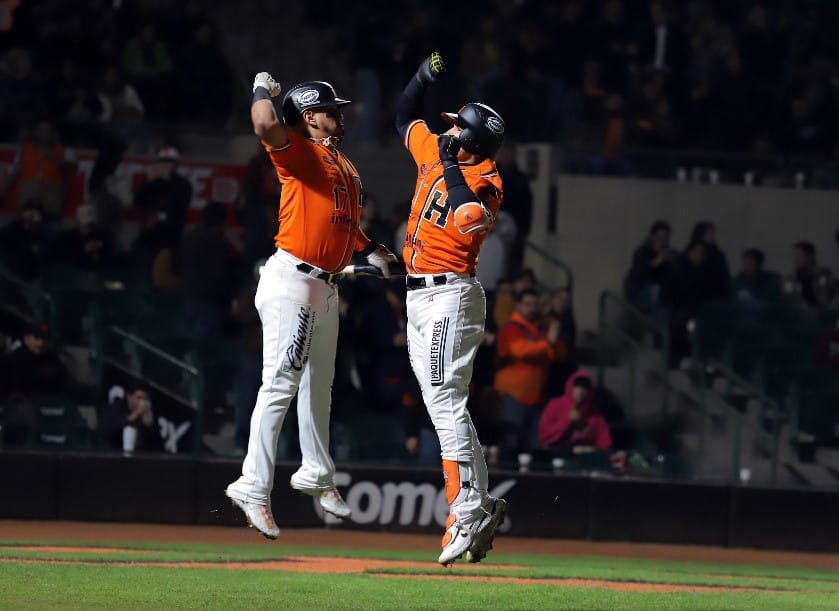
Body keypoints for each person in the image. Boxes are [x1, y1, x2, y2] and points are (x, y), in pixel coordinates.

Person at [225, 72, 397, 539]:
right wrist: (263, 89)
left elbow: (341, 219)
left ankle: (316, 475)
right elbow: (263, 124)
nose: (338, 115)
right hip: (294, 280)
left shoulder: (341, 163)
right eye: (329, 109)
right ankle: (252, 484)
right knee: (280, 382)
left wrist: (373, 250)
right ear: (307, 116)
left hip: (325, 286)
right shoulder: (298, 151)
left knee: (319, 385)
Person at [395, 52, 508, 566]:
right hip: (417, 295)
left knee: (444, 400)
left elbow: (467, 218)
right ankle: (477, 504)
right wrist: (423, 77)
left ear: (474, 141)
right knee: (444, 405)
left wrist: (445, 162)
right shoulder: (435, 152)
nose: (447, 134)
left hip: (451, 295)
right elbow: (404, 117)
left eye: (457, 130)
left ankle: (464, 511)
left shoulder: (486, 178)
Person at [494, 288, 566, 460]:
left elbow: (559, 354)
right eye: (527, 304)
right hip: (513, 397)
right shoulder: (511, 328)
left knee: (534, 447)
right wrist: (547, 344)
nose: (532, 308)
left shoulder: (541, 329)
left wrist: (551, 342)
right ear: (518, 306)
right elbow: (519, 351)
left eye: (535, 305)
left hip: (536, 399)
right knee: (510, 444)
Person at [538, 371, 612, 454]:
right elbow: (545, 436)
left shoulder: (595, 413)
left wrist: (591, 448)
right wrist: (568, 420)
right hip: (558, 454)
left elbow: (605, 443)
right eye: (577, 387)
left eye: (584, 388)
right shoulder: (555, 405)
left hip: (586, 458)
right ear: (570, 387)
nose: (580, 391)